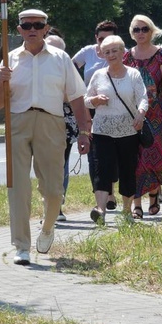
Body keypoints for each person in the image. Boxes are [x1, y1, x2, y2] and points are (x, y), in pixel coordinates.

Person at [0, 9, 91, 266]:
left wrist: (84, 131)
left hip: (51, 122)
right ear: (19, 29)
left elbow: (77, 97)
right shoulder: (10, 59)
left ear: (46, 28)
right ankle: (21, 246)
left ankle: (47, 228)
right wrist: (1, 81)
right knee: (18, 187)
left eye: (38, 25)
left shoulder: (60, 58)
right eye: (27, 25)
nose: (32, 29)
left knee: (54, 190)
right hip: (18, 122)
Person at [84, 35, 148, 223]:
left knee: (128, 170)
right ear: (102, 55)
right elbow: (86, 100)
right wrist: (95, 101)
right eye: (107, 52)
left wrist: (141, 113)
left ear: (123, 52)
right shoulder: (98, 75)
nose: (111, 55)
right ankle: (101, 211)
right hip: (102, 130)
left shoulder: (134, 74)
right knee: (102, 170)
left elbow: (143, 97)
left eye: (114, 51)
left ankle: (127, 211)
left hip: (128, 131)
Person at [123, 15, 162, 219]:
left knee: (156, 155)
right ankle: (137, 203)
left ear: (151, 30)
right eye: (136, 29)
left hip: (158, 113)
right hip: (134, 113)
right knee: (136, 158)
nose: (140, 33)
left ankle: (154, 192)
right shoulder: (126, 56)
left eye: (144, 29)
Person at [72, 20, 119, 210]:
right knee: (95, 155)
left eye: (108, 39)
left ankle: (111, 190)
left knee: (113, 154)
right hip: (90, 106)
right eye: (101, 39)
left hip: (114, 108)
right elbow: (71, 67)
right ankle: (101, 197)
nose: (104, 43)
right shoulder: (88, 52)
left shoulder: (120, 53)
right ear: (96, 38)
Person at [44, 34, 78, 222]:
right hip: (37, 122)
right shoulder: (34, 65)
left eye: (57, 49)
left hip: (63, 125)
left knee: (60, 166)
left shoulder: (67, 68)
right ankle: (46, 206)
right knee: (42, 167)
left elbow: (73, 96)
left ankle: (56, 208)